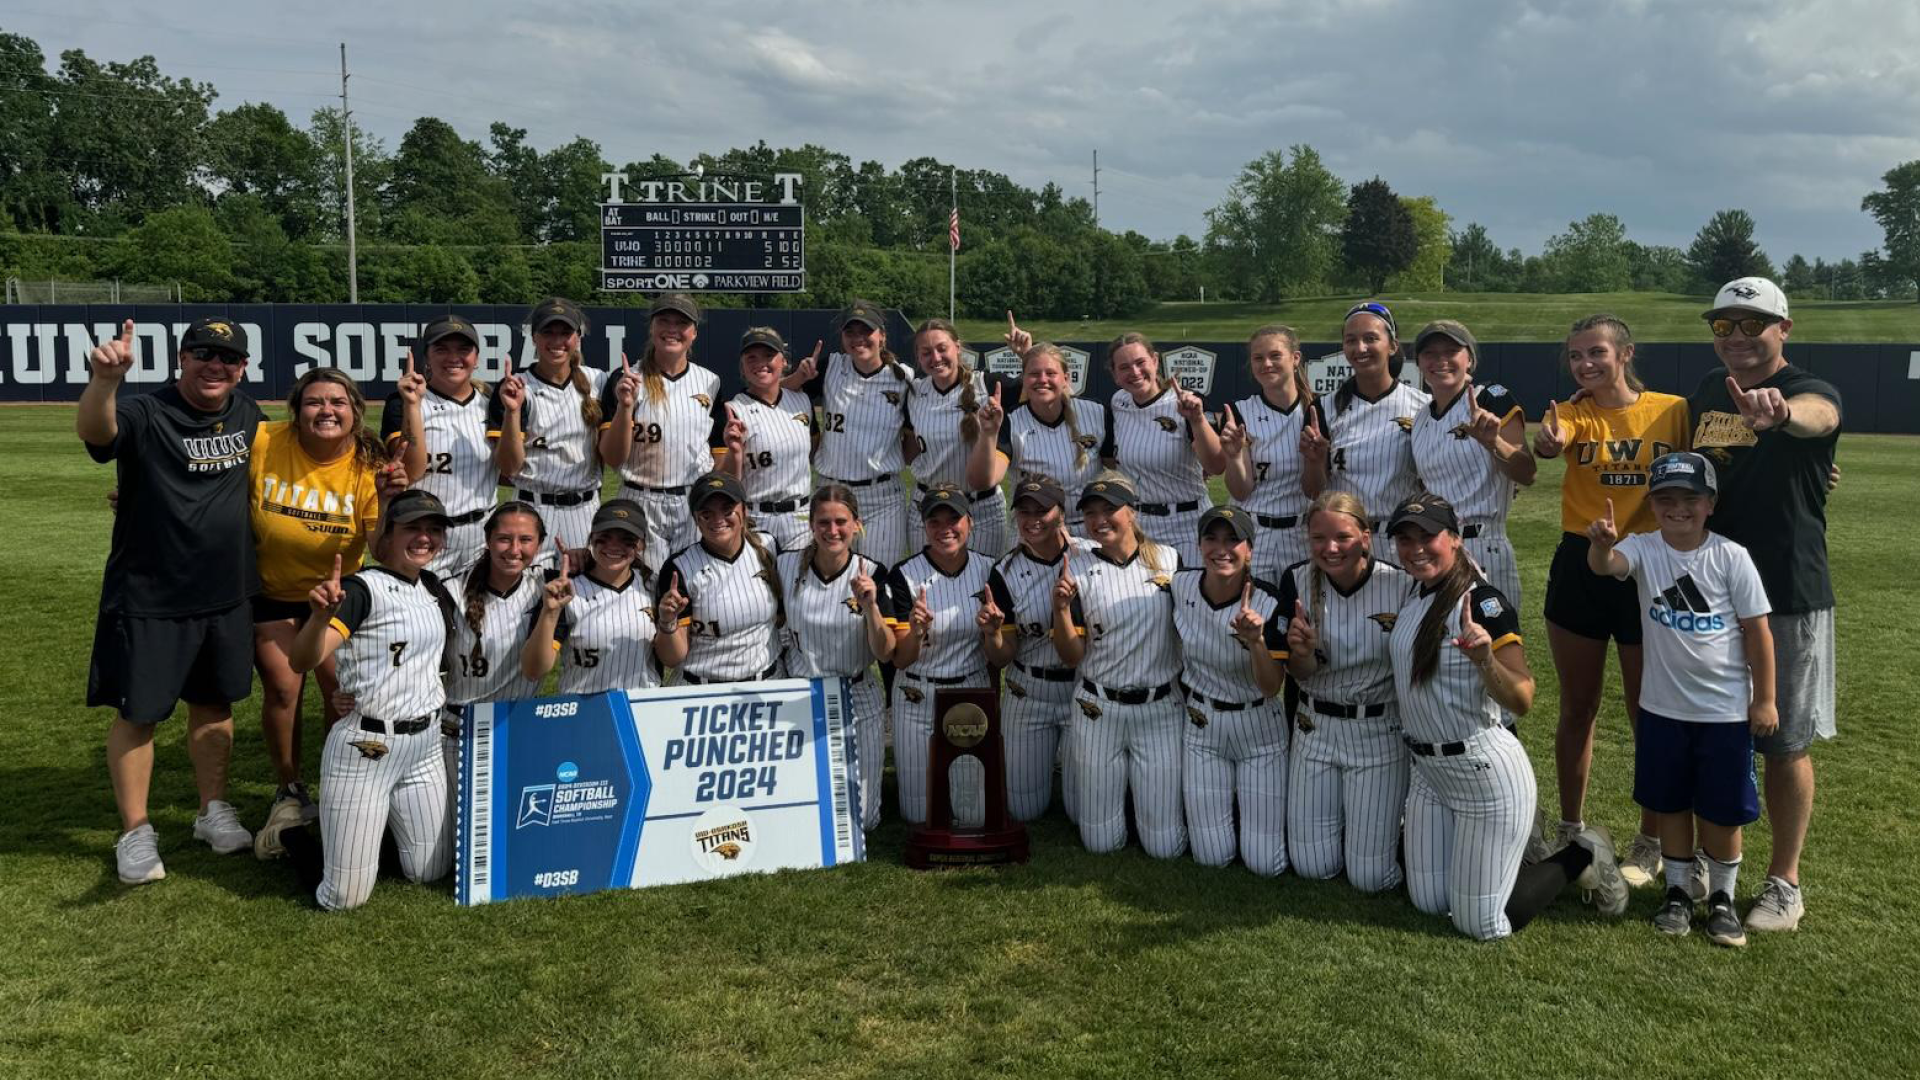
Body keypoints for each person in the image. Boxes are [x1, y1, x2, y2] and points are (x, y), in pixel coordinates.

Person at [1385, 492, 1628, 940]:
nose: (1415, 548)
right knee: (1429, 903)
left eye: (1427, 536)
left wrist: (1484, 660)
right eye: (1404, 538)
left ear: (1455, 539)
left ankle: (1582, 855)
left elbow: (1522, 698)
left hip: (1483, 775)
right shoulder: (1414, 593)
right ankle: (1490, 867)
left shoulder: (1483, 602)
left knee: (1481, 924)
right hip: (1428, 775)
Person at [81, 317, 266, 883]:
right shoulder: (146, 410)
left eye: (228, 358)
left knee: (215, 704)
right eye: (203, 354)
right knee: (139, 714)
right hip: (151, 594)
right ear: (181, 359)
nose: (215, 365)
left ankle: (212, 810)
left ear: (242, 368)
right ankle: (136, 832)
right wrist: (105, 382)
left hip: (228, 593)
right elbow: (97, 433)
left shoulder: (247, 412)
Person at [1687, 277, 1841, 933]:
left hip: (1787, 591)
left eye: (1753, 325)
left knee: (1784, 739)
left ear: (1785, 327)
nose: (1739, 339)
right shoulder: (1704, 394)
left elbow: (1820, 419)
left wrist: (1782, 415)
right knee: (1709, 730)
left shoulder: (1811, 390)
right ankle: (1701, 862)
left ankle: (1785, 883)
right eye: (1725, 327)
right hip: (1711, 589)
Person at [1586, 453, 1775, 946]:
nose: (1678, 509)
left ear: (1710, 504)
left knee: (1722, 811)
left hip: (1725, 712)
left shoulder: (1731, 556)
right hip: (1662, 709)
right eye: (1666, 499)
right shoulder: (1645, 548)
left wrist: (1766, 700)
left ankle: (1722, 899)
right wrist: (1602, 547)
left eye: (1690, 500)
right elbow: (1608, 566)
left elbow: (1759, 634)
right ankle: (1676, 892)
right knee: (1669, 804)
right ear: (1651, 504)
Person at [1534, 314, 1691, 886]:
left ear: (1625, 353)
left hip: (1649, 566)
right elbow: (1553, 440)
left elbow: (1727, 459)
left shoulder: (1674, 411)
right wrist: (1550, 439)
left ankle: (1650, 840)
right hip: (1581, 564)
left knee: (1648, 710)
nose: (1585, 365)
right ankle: (1570, 828)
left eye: (1596, 353)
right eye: (1576, 356)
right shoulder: (1574, 412)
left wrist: (1818, 470)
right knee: (1578, 707)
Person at [278, 490, 459, 910]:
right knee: (342, 898)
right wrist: (319, 618)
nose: (425, 537)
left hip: (426, 747)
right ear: (388, 535)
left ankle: (365, 837)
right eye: (412, 528)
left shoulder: (431, 585)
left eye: (434, 530)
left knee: (429, 871)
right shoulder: (362, 589)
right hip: (366, 747)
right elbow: (303, 658)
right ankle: (293, 839)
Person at [248, 367, 391, 858]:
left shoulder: (368, 463)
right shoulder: (266, 440)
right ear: (296, 409)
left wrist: (390, 503)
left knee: (340, 693)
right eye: (314, 402)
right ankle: (288, 788)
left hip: (335, 595)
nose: (325, 410)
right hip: (273, 592)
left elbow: (379, 545)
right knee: (284, 687)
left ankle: (338, 781)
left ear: (354, 412)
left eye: (337, 402)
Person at [1275, 492, 1412, 893]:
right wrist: (1300, 653)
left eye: (1343, 537)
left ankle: (1406, 834)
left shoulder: (1399, 584)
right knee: (1312, 865)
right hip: (1314, 727)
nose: (1330, 548)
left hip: (1376, 730)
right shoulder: (1298, 580)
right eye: (1318, 538)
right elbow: (1300, 672)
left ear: (1366, 537)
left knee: (1370, 878)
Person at [1050, 472, 1187, 858]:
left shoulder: (1170, 559)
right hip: (1098, 708)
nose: (1099, 520)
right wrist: (1061, 610)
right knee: (1100, 843)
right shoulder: (1076, 568)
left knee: (1165, 847)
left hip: (1159, 708)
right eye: (1091, 513)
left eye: (1109, 509)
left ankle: (1140, 805)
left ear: (1134, 511)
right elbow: (1071, 655)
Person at [1173, 506, 1289, 876]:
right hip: (1202, 727)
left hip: (1259, 726)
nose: (1221, 549)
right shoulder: (1179, 586)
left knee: (1264, 864)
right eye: (1212, 538)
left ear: (1250, 550)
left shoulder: (1268, 601)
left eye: (1232, 540)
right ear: (1198, 544)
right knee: (1211, 857)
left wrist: (1256, 642)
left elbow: (1272, 687)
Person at [776, 485, 896, 831]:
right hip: (803, 692)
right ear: (811, 525)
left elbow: (885, 651)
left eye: (841, 522)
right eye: (823, 522)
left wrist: (871, 607)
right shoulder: (785, 565)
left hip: (856, 693)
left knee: (865, 820)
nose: (832, 531)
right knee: (799, 809)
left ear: (857, 524)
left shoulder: (873, 573)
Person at [883, 484, 997, 825]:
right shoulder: (903, 574)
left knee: (973, 815)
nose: (945, 527)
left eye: (954, 518)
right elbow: (900, 660)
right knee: (918, 815)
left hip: (969, 690)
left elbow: (999, 657)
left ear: (970, 522)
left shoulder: (990, 569)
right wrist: (916, 632)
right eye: (935, 520)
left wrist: (992, 631)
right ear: (924, 525)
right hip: (916, 691)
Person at [1407, 319, 1535, 607]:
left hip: (1483, 543)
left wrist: (1493, 443)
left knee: (1494, 644)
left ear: (1470, 360)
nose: (1440, 360)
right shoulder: (1421, 418)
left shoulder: (1490, 398)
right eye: (1430, 353)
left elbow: (1527, 473)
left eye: (1451, 351)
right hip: (1434, 547)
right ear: (1419, 363)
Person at [981, 476, 1087, 821]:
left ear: (1061, 512)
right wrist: (994, 635)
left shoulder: (1089, 558)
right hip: (1028, 691)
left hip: (1081, 689)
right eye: (1024, 511)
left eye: (1042, 509)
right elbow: (1003, 656)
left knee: (1079, 810)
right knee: (1024, 810)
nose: (1032, 518)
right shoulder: (1005, 571)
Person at [599, 293, 727, 562]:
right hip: (639, 499)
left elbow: (719, 449)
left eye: (681, 323)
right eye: (664, 321)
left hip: (692, 501)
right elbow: (612, 458)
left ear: (694, 333)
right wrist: (625, 407)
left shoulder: (709, 382)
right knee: (644, 592)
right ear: (652, 328)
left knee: (690, 589)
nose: (672, 329)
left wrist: (708, 495)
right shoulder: (627, 379)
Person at [791, 299, 914, 566]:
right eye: (851, 332)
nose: (858, 338)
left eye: (866, 331)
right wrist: (799, 377)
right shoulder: (830, 367)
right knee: (829, 575)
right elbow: (777, 394)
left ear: (881, 336)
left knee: (879, 577)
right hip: (831, 490)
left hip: (882, 498)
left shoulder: (903, 378)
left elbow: (912, 440)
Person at [969, 317, 1112, 531]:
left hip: (1089, 530)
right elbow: (983, 481)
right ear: (1024, 380)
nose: (1042, 379)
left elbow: (1116, 471)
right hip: (1032, 531)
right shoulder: (1011, 420)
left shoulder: (1096, 413)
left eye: (1051, 374)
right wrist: (988, 434)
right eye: (1034, 374)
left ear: (1066, 378)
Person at [490, 297, 606, 561]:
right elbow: (508, 467)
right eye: (548, 332)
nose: (556, 341)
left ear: (577, 337)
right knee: (527, 594)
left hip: (584, 509)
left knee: (583, 595)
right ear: (534, 337)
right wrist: (512, 411)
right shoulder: (516, 386)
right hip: (532, 508)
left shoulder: (598, 381)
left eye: (565, 332)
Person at [382, 315, 498, 574]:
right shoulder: (401, 403)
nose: (453, 357)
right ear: (427, 357)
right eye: (442, 349)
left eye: (463, 349)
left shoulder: (492, 404)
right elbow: (410, 473)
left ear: (476, 358)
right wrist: (413, 405)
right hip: (425, 536)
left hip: (480, 535)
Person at [521, 499, 669, 695]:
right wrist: (550, 612)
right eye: (605, 536)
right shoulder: (567, 590)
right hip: (583, 709)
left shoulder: (653, 587)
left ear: (641, 544)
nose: (614, 546)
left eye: (626, 539)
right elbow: (533, 670)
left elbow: (671, 658)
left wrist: (669, 621)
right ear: (591, 538)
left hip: (640, 707)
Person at [1318, 301, 1428, 562]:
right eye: (1351, 340)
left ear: (1392, 345)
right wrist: (1314, 459)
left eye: (1371, 338)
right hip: (1345, 541)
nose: (1360, 348)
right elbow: (1314, 487)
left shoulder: (1422, 406)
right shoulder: (1324, 407)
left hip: (1401, 538)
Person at [1103, 333, 1227, 564]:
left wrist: (1197, 419)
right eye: (1124, 367)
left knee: (1190, 596)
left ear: (1155, 361)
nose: (1135, 372)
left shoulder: (1184, 402)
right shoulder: (1118, 402)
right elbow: (1110, 460)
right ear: (1115, 375)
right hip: (1140, 525)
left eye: (1141, 363)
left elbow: (1217, 465)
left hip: (1188, 522)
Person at [1218, 323, 1328, 581]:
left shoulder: (1319, 410)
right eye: (1258, 358)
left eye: (1275, 355)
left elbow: (1315, 490)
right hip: (1253, 531)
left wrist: (1315, 461)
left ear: (1295, 358)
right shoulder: (1239, 411)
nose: (1266, 363)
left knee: (1303, 614)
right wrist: (1234, 457)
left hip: (1302, 531)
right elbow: (1240, 491)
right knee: (1253, 612)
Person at [653, 473, 784, 684]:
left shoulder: (767, 547)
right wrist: (667, 622)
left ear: (744, 510)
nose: (718, 520)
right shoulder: (680, 568)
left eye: (727, 510)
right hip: (702, 692)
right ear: (696, 520)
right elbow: (672, 658)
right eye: (707, 514)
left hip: (767, 685)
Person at [906, 318, 1012, 557]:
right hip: (928, 508)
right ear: (918, 357)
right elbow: (909, 447)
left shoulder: (986, 385)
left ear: (958, 347)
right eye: (926, 353)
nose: (935, 358)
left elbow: (1042, 387)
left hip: (981, 509)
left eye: (942, 349)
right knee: (925, 586)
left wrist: (1026, 354)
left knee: (979, 590)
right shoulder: (914, 392)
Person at [721, 327, 819, 551]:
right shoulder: (733, 410)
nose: (760, 363)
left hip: (800, 517)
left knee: (798, 583)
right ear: (742, 367)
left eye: (768, 355)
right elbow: (727, 481)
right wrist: (735, 453)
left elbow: (814, 449)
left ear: (783, 361)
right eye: (751, 357)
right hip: (756, 517)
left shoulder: (802, 401)